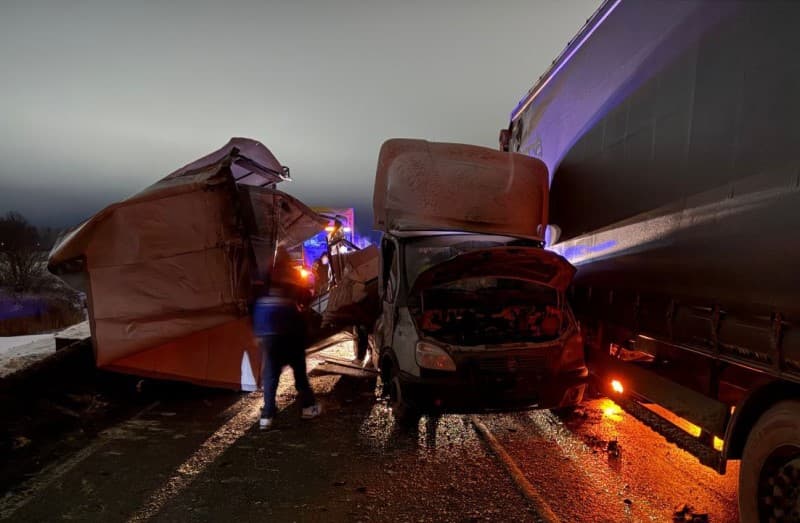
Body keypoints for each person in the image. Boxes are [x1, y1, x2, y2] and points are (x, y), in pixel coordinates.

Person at [253, 245, 321, 430]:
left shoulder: (264, 276)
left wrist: (258, 331)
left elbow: (254, 301)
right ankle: (308, 407)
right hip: (290, 329)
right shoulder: (292, 275)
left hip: (268, 330)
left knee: (271, 375)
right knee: (299, 372)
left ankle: (267, 416)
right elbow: (307, 296)